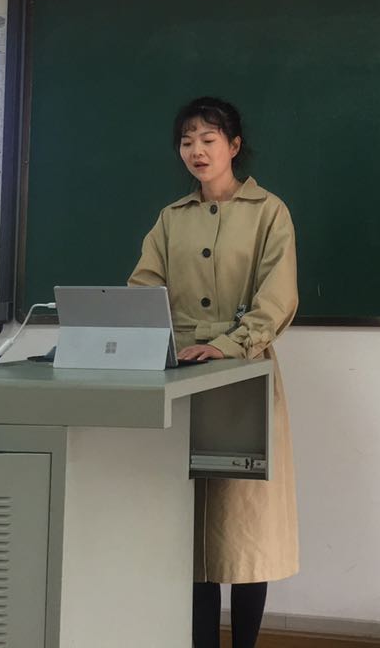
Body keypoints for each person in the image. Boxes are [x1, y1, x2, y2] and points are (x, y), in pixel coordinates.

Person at [128, 96, 299, 648]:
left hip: (242, 375)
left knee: (246, 530)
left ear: (234, 146)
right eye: (187, 141)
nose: (196, 151)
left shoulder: (268, 212)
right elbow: (142, 291)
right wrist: (152, 345)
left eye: (208, 139)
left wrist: (227, 344)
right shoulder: (170, 219)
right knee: (190, 528)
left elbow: (277, 300)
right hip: (178, 377)